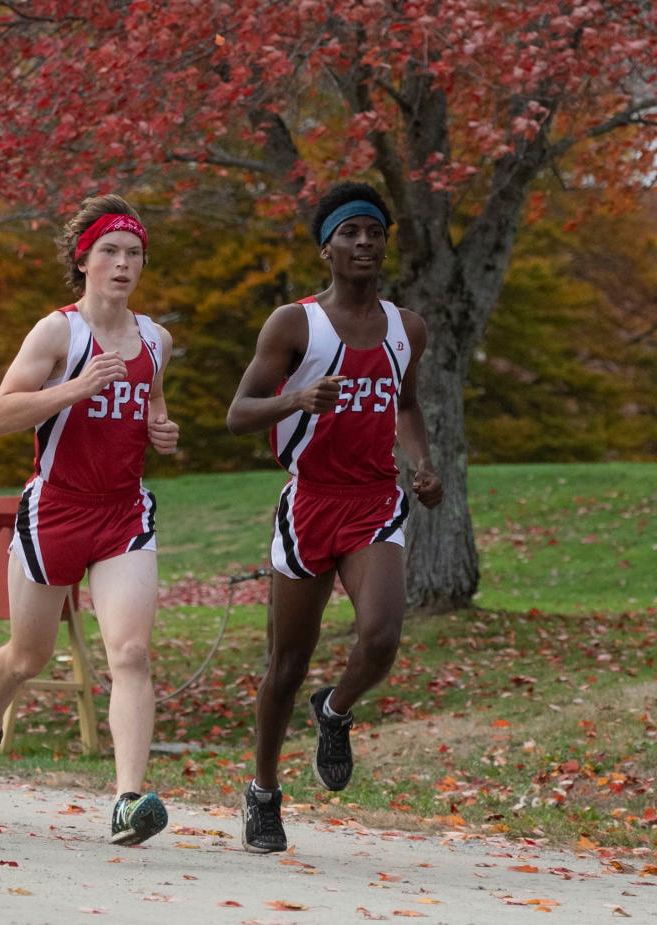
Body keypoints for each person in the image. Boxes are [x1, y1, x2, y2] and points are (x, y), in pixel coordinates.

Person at [225, 181, 443, 853]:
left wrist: (421, 461)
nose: (364, 243)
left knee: (380, 636)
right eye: (350, 233)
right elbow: (237, 414)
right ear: (327, 247)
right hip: (310, 502)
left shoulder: (408, 327)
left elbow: (405, 403)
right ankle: (263, 792)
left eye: (374, 233)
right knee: (286, 664)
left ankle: (337, 708)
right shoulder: (294, 324)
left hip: (376, 500)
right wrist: (297, 398)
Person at [0, 195, 179, 846]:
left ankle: (127, 799)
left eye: (134, 253)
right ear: (84, 258)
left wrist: (162, 430)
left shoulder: (155, 339)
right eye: (110, 251)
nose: (122, 263)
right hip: (53, 510)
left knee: (131, 653)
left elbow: (153, 404)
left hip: (122, 514)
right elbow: (1, 415)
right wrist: (76, 388)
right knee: (27, 656)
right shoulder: (59, 333)